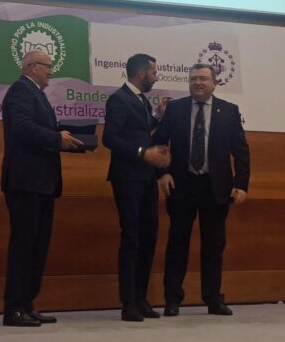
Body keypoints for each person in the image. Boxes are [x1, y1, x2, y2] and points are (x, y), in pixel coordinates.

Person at [154, 63, 250, 317]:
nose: (197, 82)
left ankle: (213, 299)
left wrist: (241, 183)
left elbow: (240, 151)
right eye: (193, 78)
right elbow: (159, 143)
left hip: (216, 187)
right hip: (181, 185)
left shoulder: (229, 111)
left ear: (214, 83)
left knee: (214, 245)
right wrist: (162, 173)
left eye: (203, 79)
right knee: (177, 244)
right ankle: (172, 299)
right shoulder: (175, 109)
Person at [0, 49, 85, 327]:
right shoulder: (20, 92)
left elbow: (41, 131)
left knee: (38, 247)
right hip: (26, 182)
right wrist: (55, 137)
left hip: (43, 184)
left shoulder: (36, 93)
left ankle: (27, 304)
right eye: (48, 66)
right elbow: (22, 128)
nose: (51, 71)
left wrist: (67, 138)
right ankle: (14, 309)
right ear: (32, 66)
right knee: (24, 246)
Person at [103, 53, 171, 321]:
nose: (156, 77)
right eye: (154, 73)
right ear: (142, 73)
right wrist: (143, 152)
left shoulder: (141, 100)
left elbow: (139, 130)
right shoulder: (118, 99)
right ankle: (128, 302)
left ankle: (141, 298)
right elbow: (110, 137)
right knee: (131, 238)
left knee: (149, 237)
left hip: (146, 179)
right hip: (127, 177)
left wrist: (158, 118)